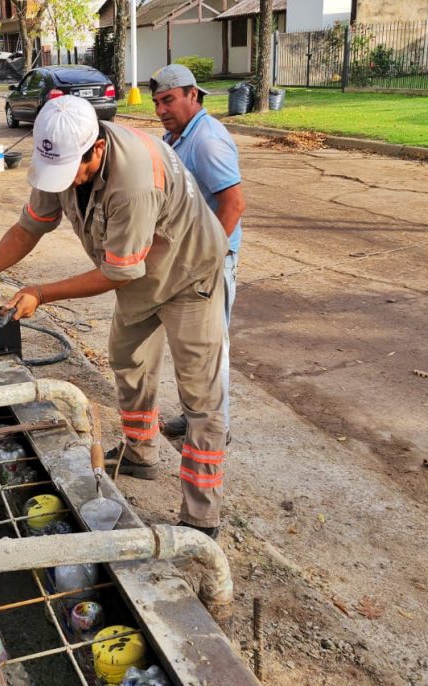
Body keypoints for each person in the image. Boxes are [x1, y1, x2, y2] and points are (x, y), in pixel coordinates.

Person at [0, 96, 229, 536]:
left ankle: (201, 519)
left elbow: (117, 271)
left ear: (97, 149)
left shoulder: (134, 181)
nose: (64, 181)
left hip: (189, 274)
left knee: (199, 395)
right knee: (129, 361)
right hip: (139, 276)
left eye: (71, 170)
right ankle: (140, 454)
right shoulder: (60, 157)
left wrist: (40, 293)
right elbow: (29, 227)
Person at [149, 64, 246, 442]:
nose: (161, 110)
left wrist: (207, 257)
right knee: (192, 348)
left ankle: (216, 429)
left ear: (193, 94)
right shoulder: (177, 137)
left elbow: (233, 204)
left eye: (169, 100)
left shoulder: (207, 140)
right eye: (157, 102)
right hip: (187, 260)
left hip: (209, 263)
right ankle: (195, 416)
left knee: (211, 348)